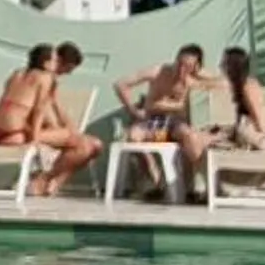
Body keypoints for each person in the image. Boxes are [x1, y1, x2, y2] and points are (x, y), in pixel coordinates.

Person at [112, 42, 210, 196]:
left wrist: (201, 79)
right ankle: (155, 179)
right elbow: (120, 84)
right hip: (155, 123)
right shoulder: (158, 72)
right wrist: (133, 110)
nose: (181, 69)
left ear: (196, 67)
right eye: (179, 63)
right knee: (133, 136)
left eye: (187, 66)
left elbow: (224, 84)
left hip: (177, 125)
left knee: (191, 137)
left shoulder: (196, 79)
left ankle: (194, 186)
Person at [32, 41, 106, 193]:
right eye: (69, 68)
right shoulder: (40, 80)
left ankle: (54, 181)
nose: (69, 73)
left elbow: (57, 107)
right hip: (37, 132)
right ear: (59, 61)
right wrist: (62, 131)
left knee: (96, 146)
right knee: (85, 147)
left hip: (52, 131)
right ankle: (44, 179)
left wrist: (71, 129)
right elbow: (41, 111)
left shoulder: (51, 81)